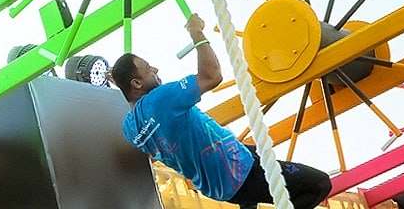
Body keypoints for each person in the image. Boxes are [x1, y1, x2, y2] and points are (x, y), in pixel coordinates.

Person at [112, 15, 332, 209]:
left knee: (255, 153)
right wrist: (196, 33)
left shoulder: (130, 128)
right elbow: (211, 76)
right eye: (148, 68)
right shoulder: (160, 99)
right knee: (318, 184)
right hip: (240, 172)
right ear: (137, 83)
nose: (155, 70)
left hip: (221, 185)